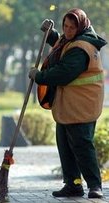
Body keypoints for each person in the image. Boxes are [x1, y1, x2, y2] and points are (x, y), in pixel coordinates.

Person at [29, 8, 107, 198]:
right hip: (69, 105)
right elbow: (61, 46)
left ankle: (95, 185)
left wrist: (39, 76)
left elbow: (63, 72)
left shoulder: (82, 48)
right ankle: (73, 184)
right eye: (65, 26)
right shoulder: (75, 40)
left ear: (80, 26)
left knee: (81, 145)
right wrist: (51, 34)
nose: (68, 30)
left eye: (72, 27)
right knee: (65, 146)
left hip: (81, 106)